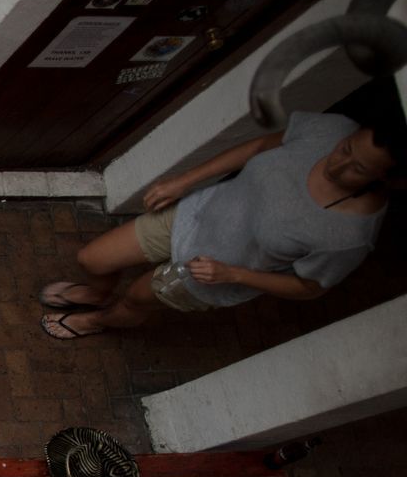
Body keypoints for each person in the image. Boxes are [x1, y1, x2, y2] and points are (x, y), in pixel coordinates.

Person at [39, 111, 398, 339]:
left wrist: (234, 276)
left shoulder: (349, 236)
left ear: (385, 180)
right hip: (194, 215)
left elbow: (309, 286)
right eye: (347, 149)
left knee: (135, 299)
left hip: (213, 271)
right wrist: (185, 181)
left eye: (359, 169)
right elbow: (257, 146)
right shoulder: (331, 128)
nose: (338, 164)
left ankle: (97, 321)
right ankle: (96, 293)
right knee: (93, 259)